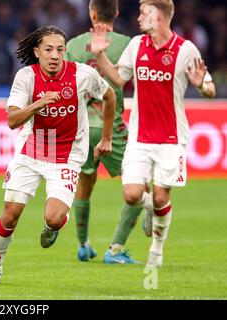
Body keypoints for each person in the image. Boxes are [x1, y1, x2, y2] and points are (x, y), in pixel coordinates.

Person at [0, 25, 116, 285]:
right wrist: (37, 104)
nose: (55, 55)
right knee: (10, 214)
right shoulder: (26, 77)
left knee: (53, 218)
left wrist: (107, 138)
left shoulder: (82, 75)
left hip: (66, 156)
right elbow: (12, 120)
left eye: (60, 50)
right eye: (48, 49)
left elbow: (109, 96)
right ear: (37, 51)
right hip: (30, 153)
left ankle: (54, 226)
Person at [90, 0, 216, 267]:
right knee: (132, 195)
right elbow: (119, 79)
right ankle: (149, 207)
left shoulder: (185, 50)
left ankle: (157, 249)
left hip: (172, 138)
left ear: (157, 16)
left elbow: (209, 89)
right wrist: (100, 55)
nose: (138, 18)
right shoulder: (136, 45)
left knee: (161, 196)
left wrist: (201, 87)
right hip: (139, 136)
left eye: (143, 12)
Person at [65, 0, 154, 264]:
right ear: (116, 12)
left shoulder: (72, 45)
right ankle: (115, 249)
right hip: (112, 128)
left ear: (91, 13)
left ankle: (83, 245)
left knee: (85, 183)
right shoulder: (129, 44)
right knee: (139, 186)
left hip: (81, 127)